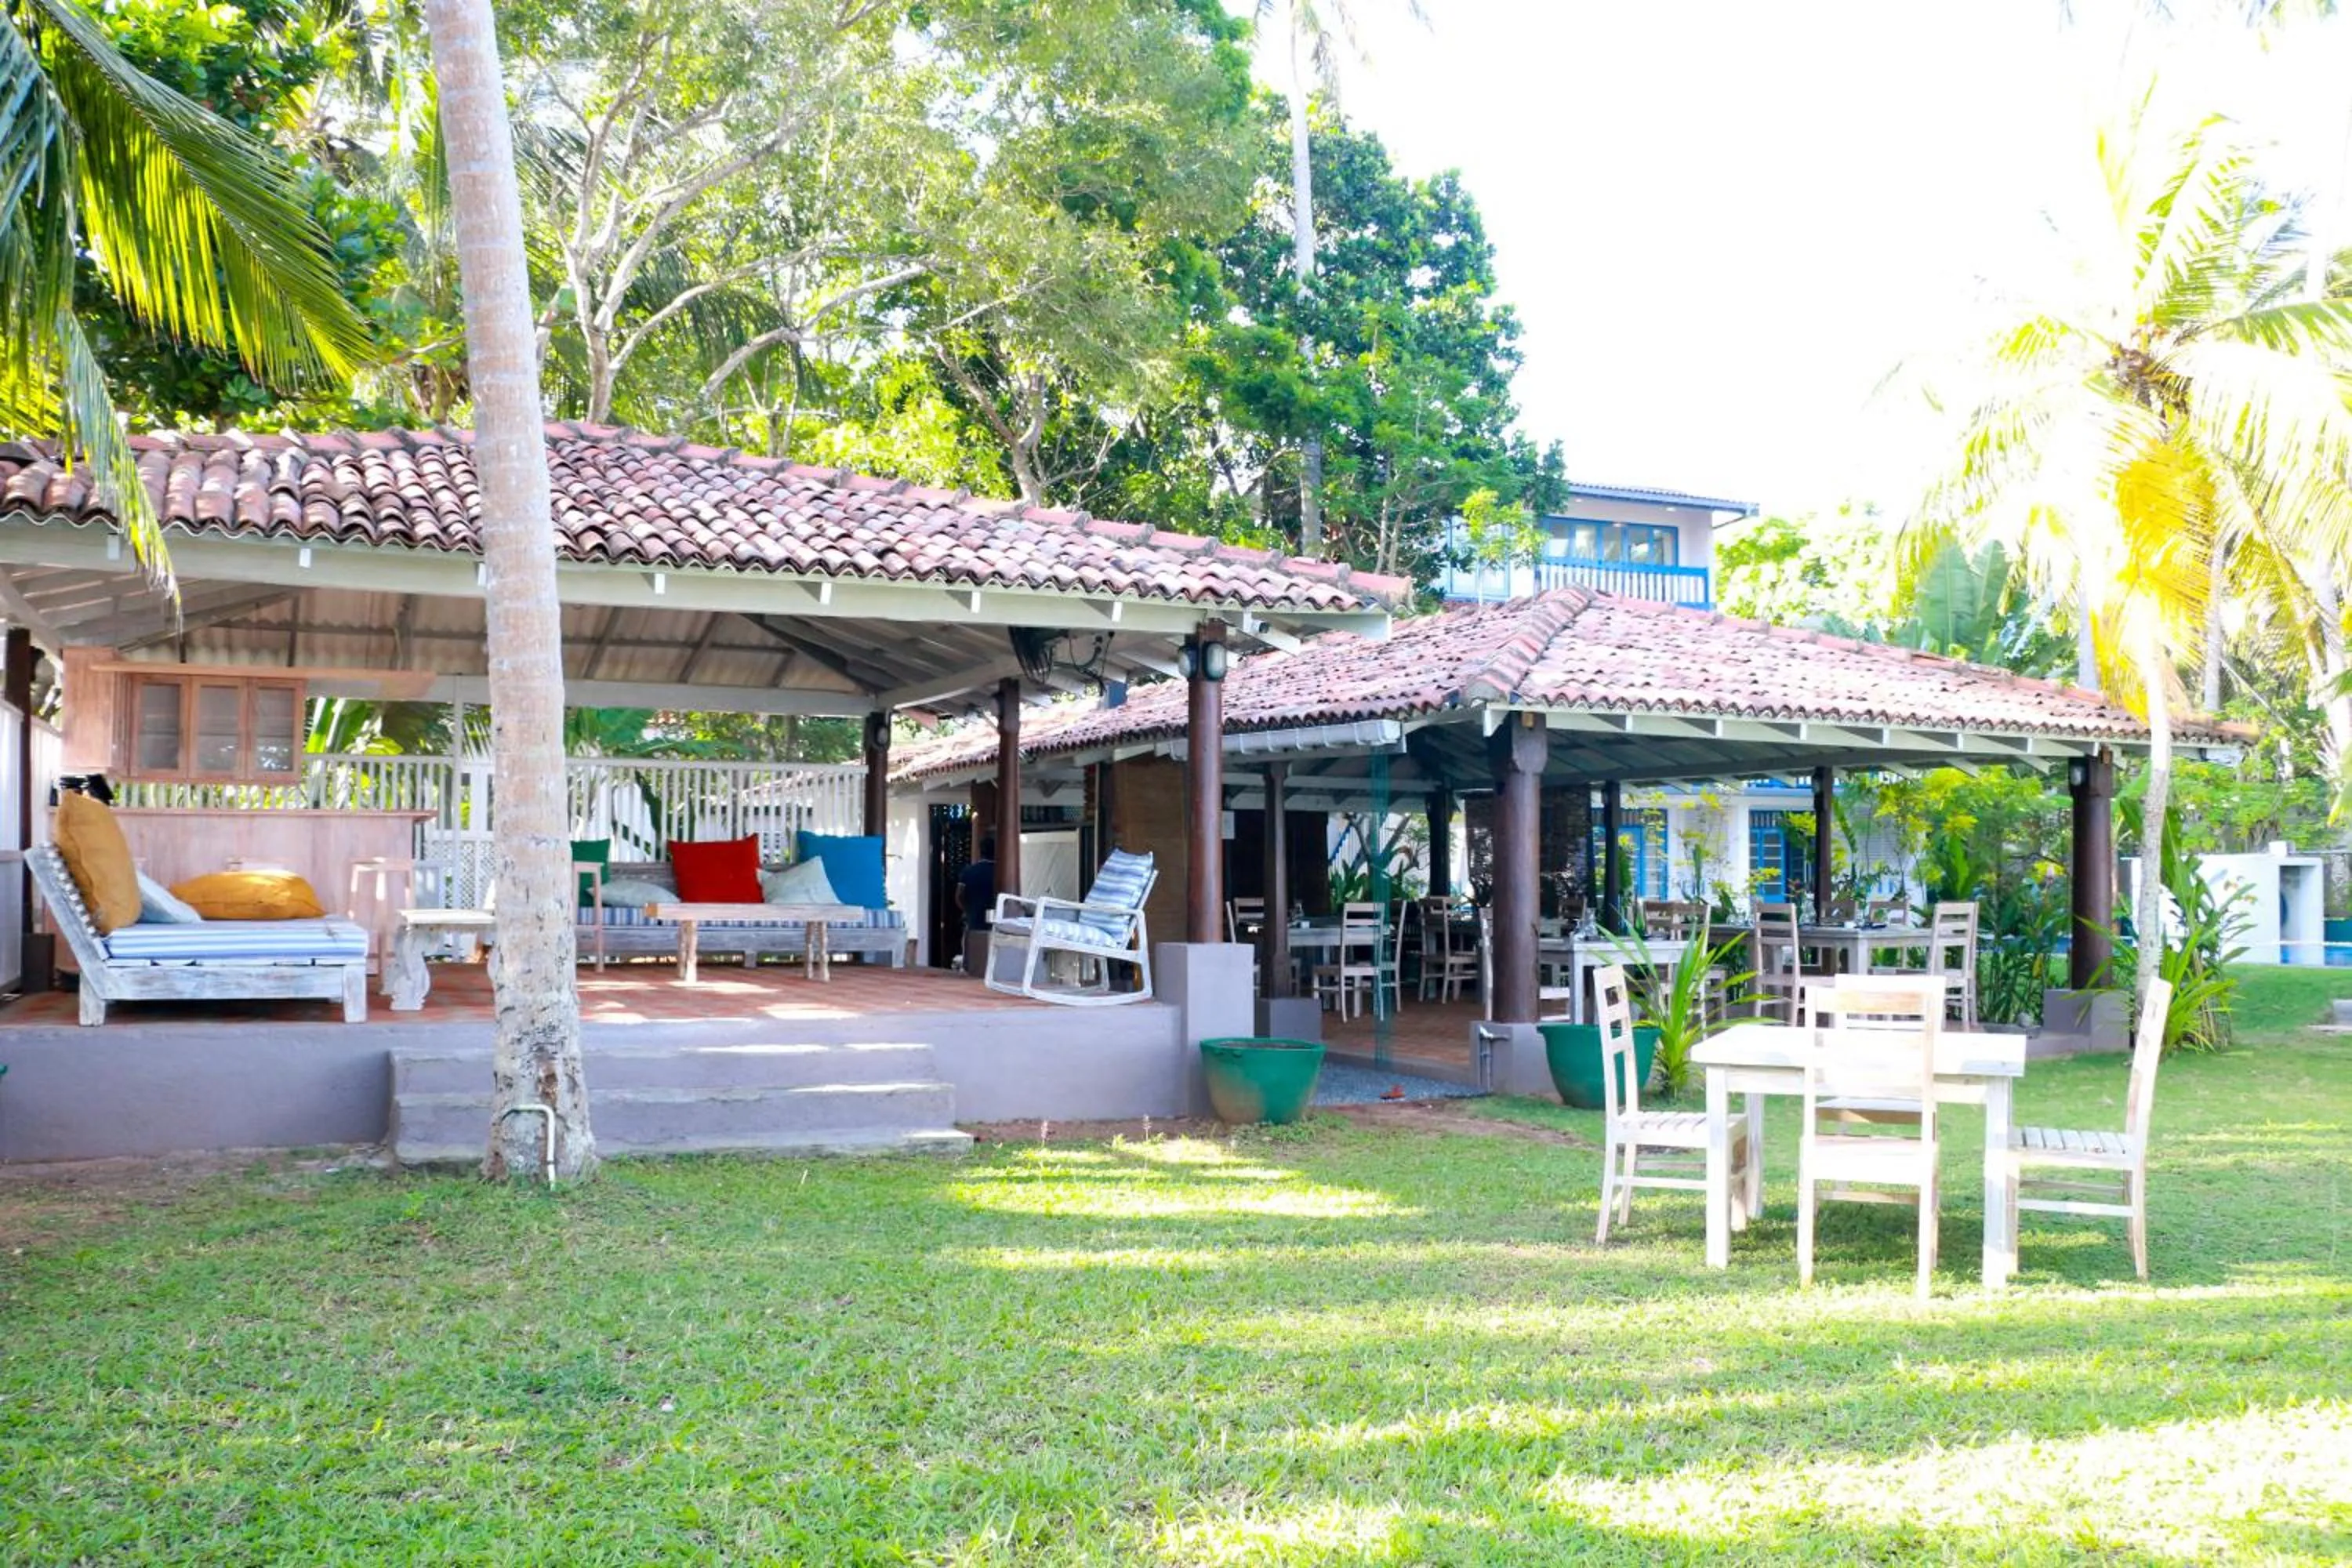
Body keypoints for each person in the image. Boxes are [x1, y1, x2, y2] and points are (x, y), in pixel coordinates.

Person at [957, 835, 998, 934]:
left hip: (973, 921)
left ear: (980, 851)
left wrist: (968, 911)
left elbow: (958, 896)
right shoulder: (1000, 872)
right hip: (994, 923)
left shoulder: (968, 871)